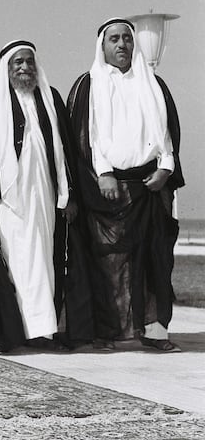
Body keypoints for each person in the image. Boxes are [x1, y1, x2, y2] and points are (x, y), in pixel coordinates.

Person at [0, 40, 91, 353]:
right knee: (12, 260)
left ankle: (43, 332)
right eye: (18, 62)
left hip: (44, 196)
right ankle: (11, 333)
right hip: (5, 199)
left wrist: (69, 195)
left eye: (29, 62)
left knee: (44, 262)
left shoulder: (50, 97)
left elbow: (66, 152)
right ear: (6, 66)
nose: (24, 68)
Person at [68, 18, 184, 352]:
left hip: (149, 188)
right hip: (108, 192)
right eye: (114, 39)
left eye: (127, 39)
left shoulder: (153, 84)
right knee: (110, 265)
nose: (122, 45)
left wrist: (166, 167)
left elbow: (168, 134)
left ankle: (155, 333)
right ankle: (108, 332)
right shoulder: (88, 85)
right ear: (101, 46)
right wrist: (102, 173)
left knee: (155, 262)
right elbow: (82, 138)